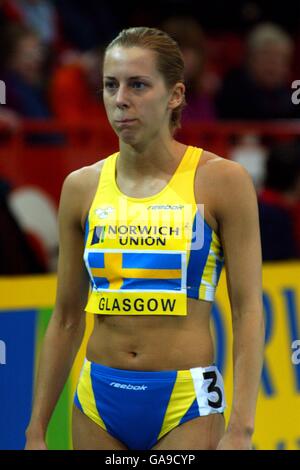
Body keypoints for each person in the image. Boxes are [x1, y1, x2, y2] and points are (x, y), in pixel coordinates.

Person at [25, 27, 264, 450]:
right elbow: (65, 317)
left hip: (185, 403)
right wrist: (36, 430)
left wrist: (242, 428)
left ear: (174, 95)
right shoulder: (80, 187)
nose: (121, 99)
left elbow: (247, 310)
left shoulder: (223, 181)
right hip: (97, 400)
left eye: (138, 85)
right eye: (110, 85)